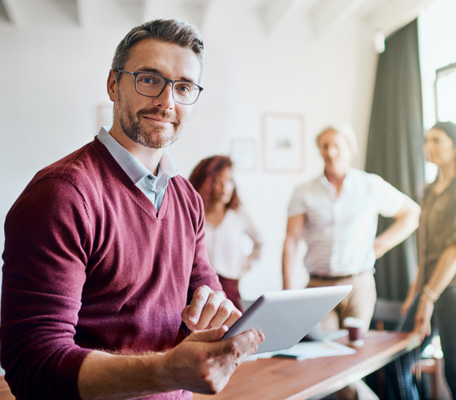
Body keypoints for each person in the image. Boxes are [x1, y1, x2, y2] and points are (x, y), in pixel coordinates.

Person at [0, 19, 264, 400]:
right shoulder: (61, 194)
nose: (167, 101)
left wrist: (214, 311)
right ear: (113, 84)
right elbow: (32, 365)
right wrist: (165, 370)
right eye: (149, 79)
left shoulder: (187, 198)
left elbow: (207, 291)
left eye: (184, 87)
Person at [282, 124, 421, 333]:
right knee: (322, 352)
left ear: (350, 149)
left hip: (358, 285)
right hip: (318, 287)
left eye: (336, 145)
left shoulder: (370, 185)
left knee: (356, 352)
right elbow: (291, 240)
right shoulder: (303, 192)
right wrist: (287, 289)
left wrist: (381, 244)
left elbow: (412, 213)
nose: (330, 152)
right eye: (324, 146)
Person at [391, 122, 456, 400]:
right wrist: (414, 292)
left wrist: (428, 297)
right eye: (426, 140)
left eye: (436, 140)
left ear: (455, 147)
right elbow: (424, 248)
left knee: (455, 373)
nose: (428, 146)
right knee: (397, 362)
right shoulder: (429, 191)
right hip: (428, 288)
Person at [189, 156, 262, 312]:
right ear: (206, 183)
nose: (225, 187)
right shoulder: (193, 215)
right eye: (218, 181)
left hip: (230, 288)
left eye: (229, 181)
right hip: (197, 292)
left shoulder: (238, 215)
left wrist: (242, 266)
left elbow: (260, 242)